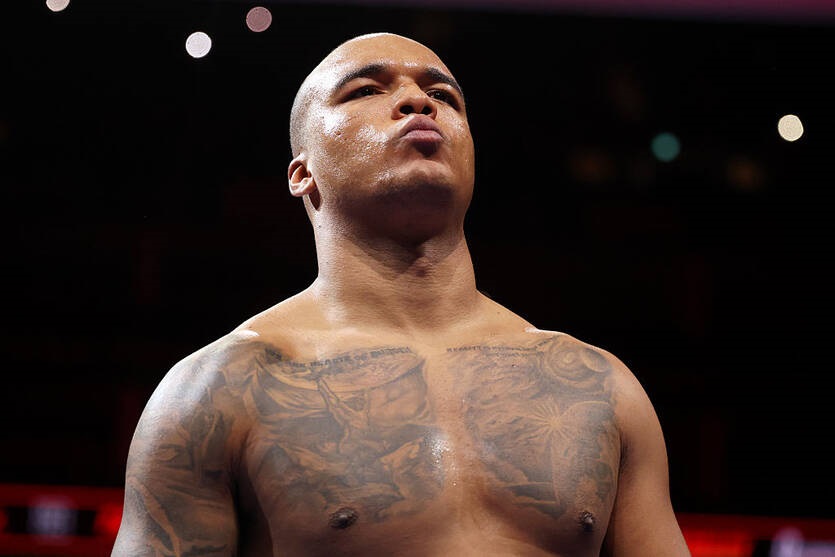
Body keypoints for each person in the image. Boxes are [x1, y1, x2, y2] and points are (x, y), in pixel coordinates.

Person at [112, 31, 691, 556]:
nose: (419, 101)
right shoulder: (220, 390)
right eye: (366, 90)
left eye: (444, 95)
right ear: (301, 173)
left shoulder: (597, 385)